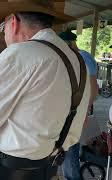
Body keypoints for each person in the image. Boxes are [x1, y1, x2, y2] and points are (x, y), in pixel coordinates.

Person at [0, 0, 91, 179]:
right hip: (50, 171)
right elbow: (33, 110)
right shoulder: (78, 62)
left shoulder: (20, 54)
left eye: (2, 27)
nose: (4, 34)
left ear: (13, 22)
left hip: (9, 172)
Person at [59, 30, 99, 180]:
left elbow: (93, 87)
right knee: (68, 146)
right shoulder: (77, 56)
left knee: (70, 147)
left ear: (68, 43)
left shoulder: (83, 57)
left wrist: (86, 110)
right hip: (75, 109)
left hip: (79, 110)